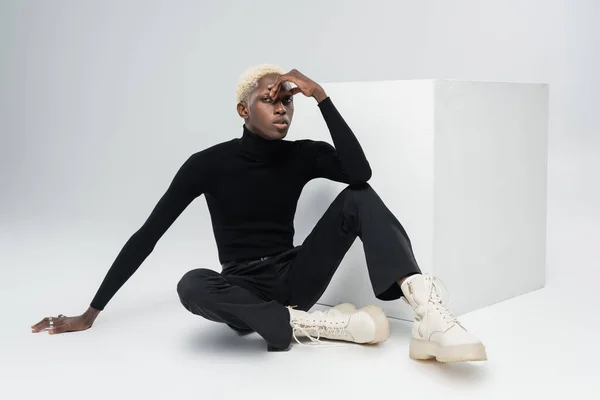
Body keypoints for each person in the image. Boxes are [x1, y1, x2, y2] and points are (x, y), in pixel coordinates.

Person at [31, 65, 487, 362]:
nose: (282, 109)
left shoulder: (302, 154)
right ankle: (318, 325)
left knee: (359, 196)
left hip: (295, 277)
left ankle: (427, 313)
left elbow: (360, 172)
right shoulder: (207, 164)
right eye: (269, 100)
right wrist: (90, 314)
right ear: (242, 109)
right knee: (190, 283)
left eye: (287, 101)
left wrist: (321, 96)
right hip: (242, 288)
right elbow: (148, 234)